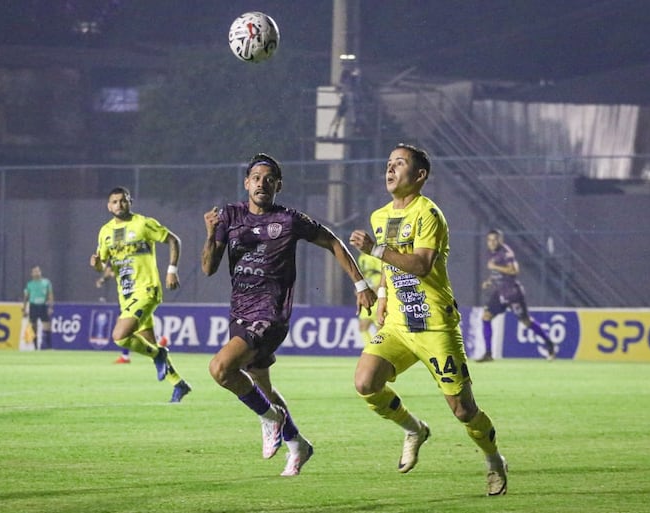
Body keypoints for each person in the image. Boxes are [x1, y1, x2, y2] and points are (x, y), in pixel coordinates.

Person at [202, 153, 376, 477]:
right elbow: (208, 267)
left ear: (278, 186)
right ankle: (298, 444)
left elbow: (333, 242)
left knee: (221, 369)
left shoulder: (288, 220)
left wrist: (360, 283)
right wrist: (212, 234)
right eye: (256, 178)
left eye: (269, 179)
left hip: (270, 314)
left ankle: (271, 420)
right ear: (246, 183)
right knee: (262, 386)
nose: (262, 184)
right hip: (239, 312)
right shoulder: (229, 216)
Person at [349, 143, 508, 496]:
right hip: (398, 326)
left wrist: (373, 249)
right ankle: (414, 428)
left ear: (419, 176)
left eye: (400, 164)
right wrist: (385, 297)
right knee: (365, 382)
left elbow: (421, 265)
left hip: (434, 324)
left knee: (464, 410)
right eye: (388, 163)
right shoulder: (380, 217)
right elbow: (391, 268)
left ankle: (494, 460)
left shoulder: (429, 214)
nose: (390, 169)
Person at [90, 186, 191, 403]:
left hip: (147, 289)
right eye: (115, 202)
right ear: (109, 206)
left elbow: (174, 240)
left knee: (120, 336)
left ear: (130, 202)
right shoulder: (105, 232)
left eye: (123, 200)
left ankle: (159, 355)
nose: (119, 205)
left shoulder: (143, 224)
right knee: (149, 343)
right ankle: (178, 384)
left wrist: (171, 270)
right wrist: (97, 265)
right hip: (125, 296)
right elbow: (104, 265)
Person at [477, 229, 556, 362]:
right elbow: (497, 272)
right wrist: (489, 281)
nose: (491, 242)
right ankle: (488, 353)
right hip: (500, 292)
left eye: (494, 240)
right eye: (489, 240)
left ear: (500, 240)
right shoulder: (492, 253)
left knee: (526, 321)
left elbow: (514, 270)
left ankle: (549, 344)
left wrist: (495, 267)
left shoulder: (506, 252)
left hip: (512, 293)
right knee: (486, 317)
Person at [23, 265, 54, 350]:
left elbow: (50, 295)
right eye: (35, 272)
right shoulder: (30, 284)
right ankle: (36, 347)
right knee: (34, 327)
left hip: (43, 305)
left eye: (38, 271)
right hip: (33, 306)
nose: (37, 273)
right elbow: (26, 297)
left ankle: (48, 347)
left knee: (47, 326)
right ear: (32, 274)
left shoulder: (46, 282)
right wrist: (25, 308)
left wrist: (51, 306)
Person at [356, 251, 383, 345]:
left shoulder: (373, 257)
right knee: (363, 326)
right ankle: (370, 349)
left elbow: (384, 272)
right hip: (368, 295)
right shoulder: (361, 258)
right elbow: (364, 276)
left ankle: (378, 351)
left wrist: (380, 288)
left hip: (378, 297)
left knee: (379, 330)